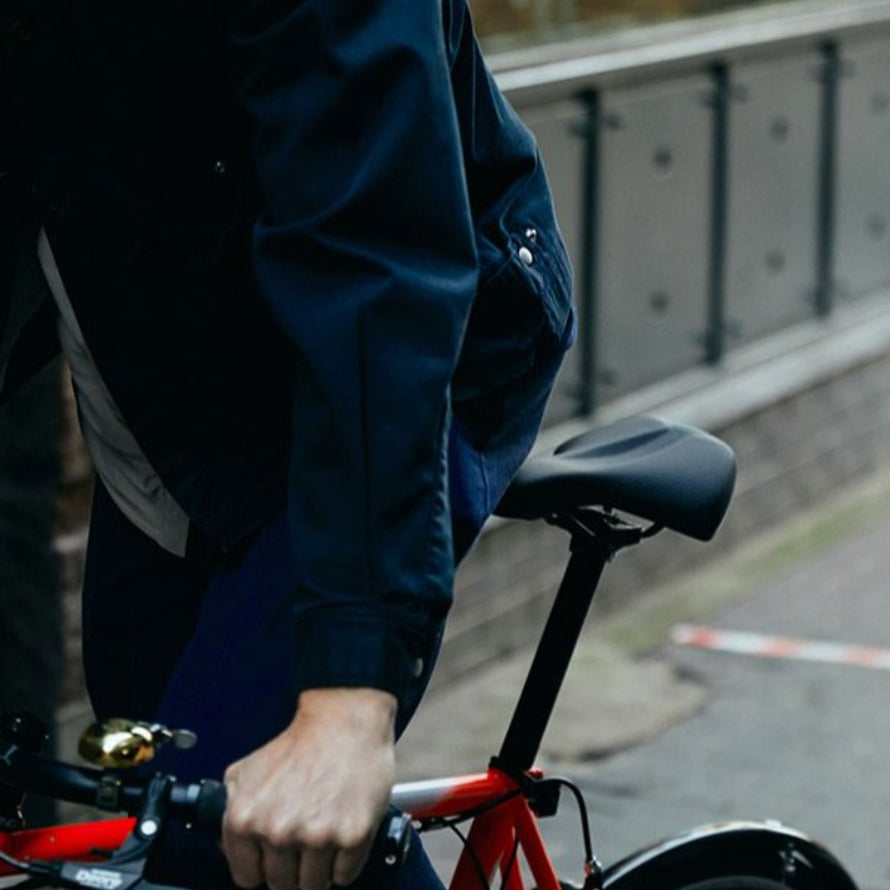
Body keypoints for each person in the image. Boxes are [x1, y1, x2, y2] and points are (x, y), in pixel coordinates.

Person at [0, 0, 574, 888]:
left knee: (216, 833)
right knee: (153, 809)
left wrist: (348, 697)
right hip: (168, 401)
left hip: (392, 363)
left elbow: (377, 267)